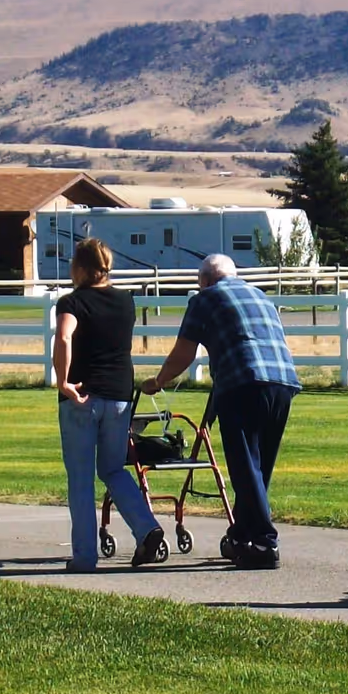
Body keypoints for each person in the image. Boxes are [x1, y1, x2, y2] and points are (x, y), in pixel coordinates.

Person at [141, 254, 300, 569]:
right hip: (283, 382)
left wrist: (158, 381)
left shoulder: (205, 299)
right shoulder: (261, 296)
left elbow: (184, 353)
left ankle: (266, 543)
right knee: (259, 467)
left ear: (205, 280)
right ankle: (242, 535)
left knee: (244, 466)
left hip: (242, 383)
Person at [53, 238, 165, 571]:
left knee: (80, 478)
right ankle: (147, 528)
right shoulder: (125, 302)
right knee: (113, 469)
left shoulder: (72, 302)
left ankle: (85, 556)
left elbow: (63, 337)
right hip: (119, 395)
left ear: (82, 268)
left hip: (82, 396)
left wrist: (62, 381)